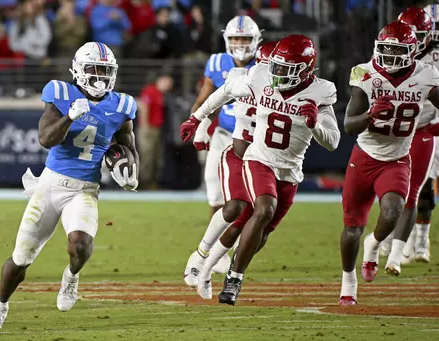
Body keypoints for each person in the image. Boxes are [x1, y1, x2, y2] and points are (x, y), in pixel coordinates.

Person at [0, 42, 139, 329]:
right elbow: (45, 139)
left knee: (80, 244)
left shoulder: (122, 105)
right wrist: (70, 117)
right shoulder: (60, 93)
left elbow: (127, 146)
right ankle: (0, 305)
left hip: (85, 189)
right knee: (21, 257)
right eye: (94, 69)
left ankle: (71, 277)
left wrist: (130, 172)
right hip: (51, 186)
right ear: (78, 70)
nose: (100, 77)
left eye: (106, 71)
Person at [181, 34, 340, 305]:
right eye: (273, 66)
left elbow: (333, 142)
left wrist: (315, 125)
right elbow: (224, 92)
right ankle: (227, 275)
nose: (276, 74)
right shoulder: (258, 77)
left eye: (284, 69)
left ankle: (210, 269)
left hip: (289, 170)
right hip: (255, 158)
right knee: (254, 208)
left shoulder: (320, 91)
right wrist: (197, 119)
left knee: (258, 230)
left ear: (305, 69)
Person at [339, 21, 439, 306]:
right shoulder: (364, 73)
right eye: (387, 49)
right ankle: (348, 280)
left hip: (397, 158)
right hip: (365, 156)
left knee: (394, 210)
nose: (391, 55)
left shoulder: (425, 74)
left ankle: (375, 244)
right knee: (352, 228)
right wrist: (370, 115)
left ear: (411, 52)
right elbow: (348, 125)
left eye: (398, 50)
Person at [190, 41, 278, 300]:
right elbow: (213, 98)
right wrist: (199, 123)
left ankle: (216, 262)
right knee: (233, 206)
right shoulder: (240, 77)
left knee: (261, 227)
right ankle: (204, 259)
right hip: (237, 146)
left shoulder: (300, 89)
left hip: (275, 158)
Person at [183, 15, 262, 287]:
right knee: (216, 193)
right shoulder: (217, 62)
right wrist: (201, 124)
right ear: (227, 40)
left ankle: (229, 249)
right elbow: (205, 98)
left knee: (250, 201)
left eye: (245, 39)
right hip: (224, 134)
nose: (240, 44)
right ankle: (217, 251)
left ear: (256, 40)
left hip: (255, 139)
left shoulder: (267, 65)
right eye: (236, 38)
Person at [381, 7, 439, 276]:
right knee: (391, 188)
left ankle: (419, 242)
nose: (413, 39)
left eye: (419, 34)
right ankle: (389, 239)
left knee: (420, 189)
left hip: (428, 126)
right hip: (398, 128)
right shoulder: (390, 51)